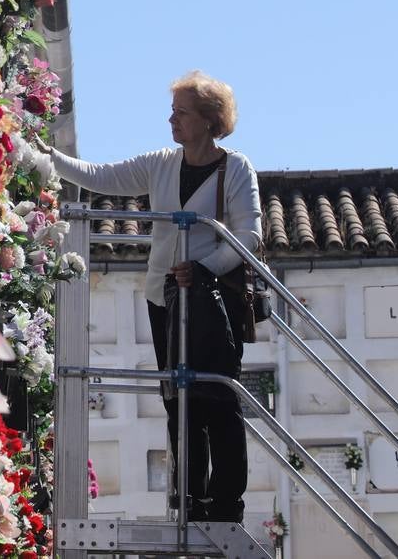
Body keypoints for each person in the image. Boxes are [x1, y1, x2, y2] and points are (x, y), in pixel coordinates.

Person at [39, 70, 262, 523]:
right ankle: (192, 501)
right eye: (174, 111)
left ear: (208, 119)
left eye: (181, 112)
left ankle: (225, 506)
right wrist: (45, 157)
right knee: (178, 400)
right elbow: (101, 176)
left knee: (217, 399)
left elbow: (249, 236)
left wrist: (203, 269)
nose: (171, 120)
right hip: (164, 299)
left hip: (210, 300)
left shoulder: (235, 168)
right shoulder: (163, 162)